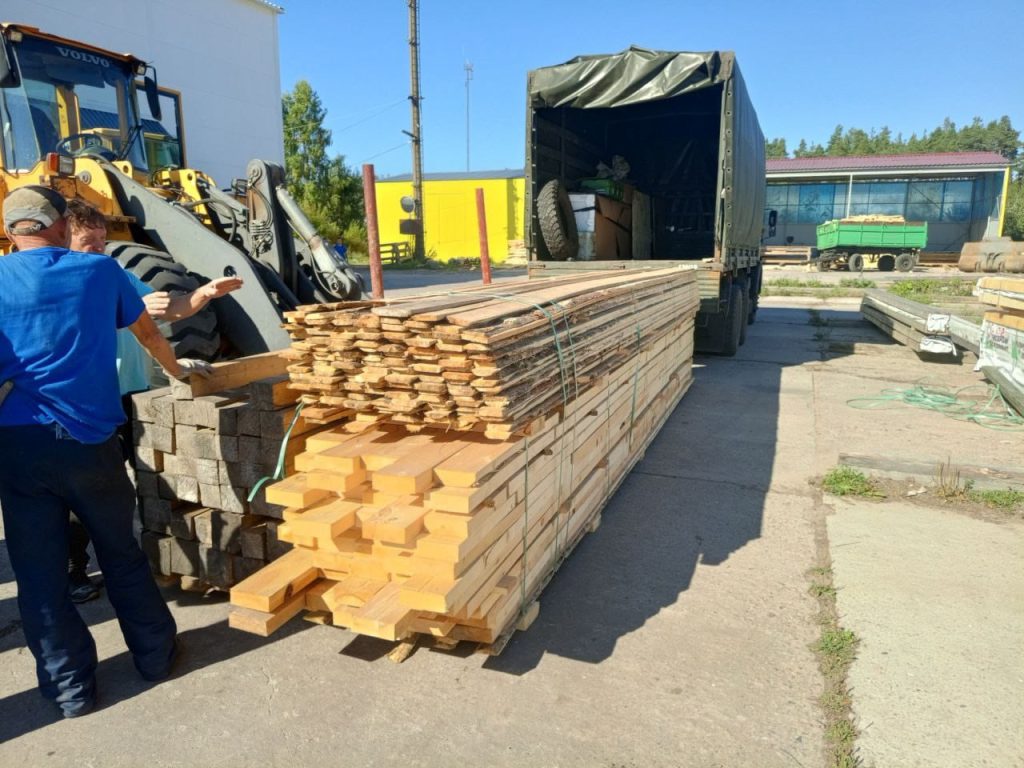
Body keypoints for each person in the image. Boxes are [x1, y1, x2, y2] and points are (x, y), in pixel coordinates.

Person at [0, 185, 205, 718]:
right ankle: (156, 657)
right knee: (119, 554)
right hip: (91, 445)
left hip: (18, 448)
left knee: (39, 577)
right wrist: (179, 372)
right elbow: (149, 335)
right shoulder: (99, 271)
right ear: (59, 226)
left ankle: (71, 692)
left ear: (10, 232)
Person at [62, 199, 242, 602]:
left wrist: (204, 294)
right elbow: (88, 323)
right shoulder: (63, 284)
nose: (101, 250)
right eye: (90, 243)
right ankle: (72, 569)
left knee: (139, 480)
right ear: (64, 238)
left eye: (103, 241)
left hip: (131, 393)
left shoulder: (116, 273)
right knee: (81, 492)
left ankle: (145, 556)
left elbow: (169, 310)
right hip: (88, 402)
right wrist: (133, 310)